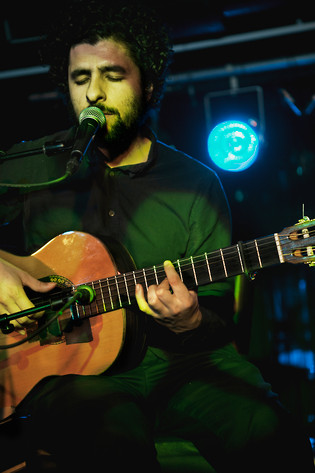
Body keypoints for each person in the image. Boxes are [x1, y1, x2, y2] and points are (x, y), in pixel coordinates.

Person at [0, 1, 314, 472]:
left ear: (146, 85)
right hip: (70, 373)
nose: (94, 94)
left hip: (185, 366)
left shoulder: (196, 183)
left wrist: (189, 321)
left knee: (275, 437)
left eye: (112, 75)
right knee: (112, 441)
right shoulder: (33, 167)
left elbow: (218, 322)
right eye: (80, 78)